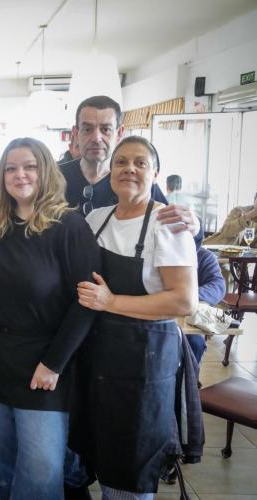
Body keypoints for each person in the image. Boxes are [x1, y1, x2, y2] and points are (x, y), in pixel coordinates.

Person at [0, 138, 100, 500]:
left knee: (40, 471)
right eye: (11, 168)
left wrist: (54, 363)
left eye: (29, 167)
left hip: (43, 368)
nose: (19, 175)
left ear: (46, 172)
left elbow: (87, 303)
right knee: (1, 465)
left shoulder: (69, 227)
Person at [75, 136, 198, 499]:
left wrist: (111, 301)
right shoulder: (95, 219)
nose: (129, 169)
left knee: (128, 471)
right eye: (121, 162)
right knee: (93, 453)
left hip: (144, 364)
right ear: (109, 172)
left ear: (155, 173)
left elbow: (183, 300)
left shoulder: (168, 223)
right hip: (97, 358)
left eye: (140, 163)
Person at [59, 96, 200, 242]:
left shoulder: (138, 182)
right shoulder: (54, 176)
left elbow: (178, 229)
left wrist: (194, 228)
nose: (96, 138)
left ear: (119, 133)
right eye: (88, 129)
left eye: (106, 129)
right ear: (75, 133)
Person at [186, 247, 227, 363]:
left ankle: (191, 374)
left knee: (195, 344)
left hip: (189, 316)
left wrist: (187, 296)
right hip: (154, 315)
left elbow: (218, 286)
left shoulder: (203, 256)